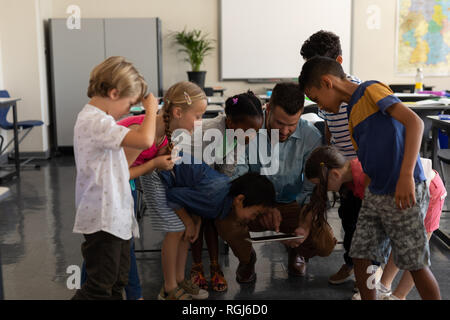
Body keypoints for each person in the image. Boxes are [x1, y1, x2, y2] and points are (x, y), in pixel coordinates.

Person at [298, 56, 441, 300]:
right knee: (361, 253)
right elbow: (368, 160)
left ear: (327, 82)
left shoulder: (370, 90)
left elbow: (414, 123)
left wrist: (406, 175)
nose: (319, 107)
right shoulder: (352, 112)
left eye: (316, 98)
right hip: (376, 191)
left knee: (414, 262)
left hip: (401, 188)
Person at [304, 146, 446, 299]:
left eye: (320, 185)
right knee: (395, 248)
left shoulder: (363, 175)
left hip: (429, 190)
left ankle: (399, 295)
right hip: (403, 194)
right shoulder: (351, 176)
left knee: (415, 256)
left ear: (335, 174)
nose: (320, 190)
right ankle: (383, 287)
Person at [71, 56, 158, 300]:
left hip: (115, 215)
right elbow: (145, 140)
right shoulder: (94, 122)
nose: (130, 111)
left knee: (118, 282)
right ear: (113, 93)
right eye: (130, 104)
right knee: (99, 288)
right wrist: (151, 109)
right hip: (103, 218)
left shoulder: (102, 121)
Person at [227, 82, 326, 283]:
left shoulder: (311, 136)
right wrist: (263, 207)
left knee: (325, 241)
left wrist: (305, 225)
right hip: (255, 204)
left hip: (293, 204)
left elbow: (311, 188)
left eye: (293, 124)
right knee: (225, 220)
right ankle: (247, 259)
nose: (286, 130)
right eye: (280, 123)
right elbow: (239, 178)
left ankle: (297, 250)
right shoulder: (249, 129)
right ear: (268, 109)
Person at [301, 30, 364, 284]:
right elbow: (328, 125)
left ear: (336, 63)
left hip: (361, 172)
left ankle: (371, 273)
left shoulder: (355, 94)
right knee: (348, 220)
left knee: (365, 225)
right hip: (340, 172)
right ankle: (351, 263)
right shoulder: (326, 95)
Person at [138, 81, 209, 300]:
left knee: (182, 230)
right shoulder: (149, 131)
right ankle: (169, 287)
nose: (199, 123)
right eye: (197, 117)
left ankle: (179, 280)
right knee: (175, 229)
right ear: (178, 112)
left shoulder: (173, 131)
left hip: (160, 178)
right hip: (150, 178)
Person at [189, 91, 264, 292]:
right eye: (248, 131)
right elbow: (200, 174)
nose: (251, 136)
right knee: (199, 217)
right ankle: (197, 267)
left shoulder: (239, 136)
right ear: (230, 122)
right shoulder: (211, 132)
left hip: (210, 179)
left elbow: (227, 170)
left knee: (214, 215)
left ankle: (215, 266)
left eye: (256, 131)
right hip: (187, 178)